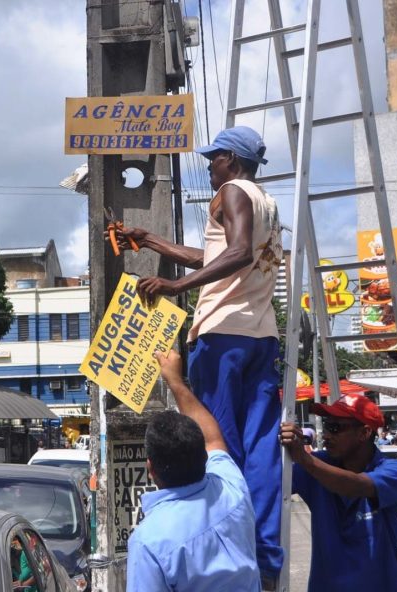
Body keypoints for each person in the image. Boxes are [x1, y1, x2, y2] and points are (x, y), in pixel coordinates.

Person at [110, 125, 283, 585]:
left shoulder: (231, 191)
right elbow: (217, 255)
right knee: (260, 448)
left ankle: (227, 545)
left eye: (214, 158)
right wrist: (150, 241)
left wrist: (174, 286)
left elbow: (239, 253)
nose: (209, 166)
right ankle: (265, 553)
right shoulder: (264, 200)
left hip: (223, 335)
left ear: (232, 159)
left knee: (218, 445)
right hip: (260, 336)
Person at [126, 350, 260, 592]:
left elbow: (212, 441)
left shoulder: (149, 541)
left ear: (150, 469)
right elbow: (214, 439)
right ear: (204, 457)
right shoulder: (231, 488)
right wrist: (175, 381)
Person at [279, 394, 397, 591]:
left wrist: (304, 459)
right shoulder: (319, 465)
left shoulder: (395, 471)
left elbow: (356, 485)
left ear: (364, 433)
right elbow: (270, 483)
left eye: (335, 428)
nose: (326, 435)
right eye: (326, 425)